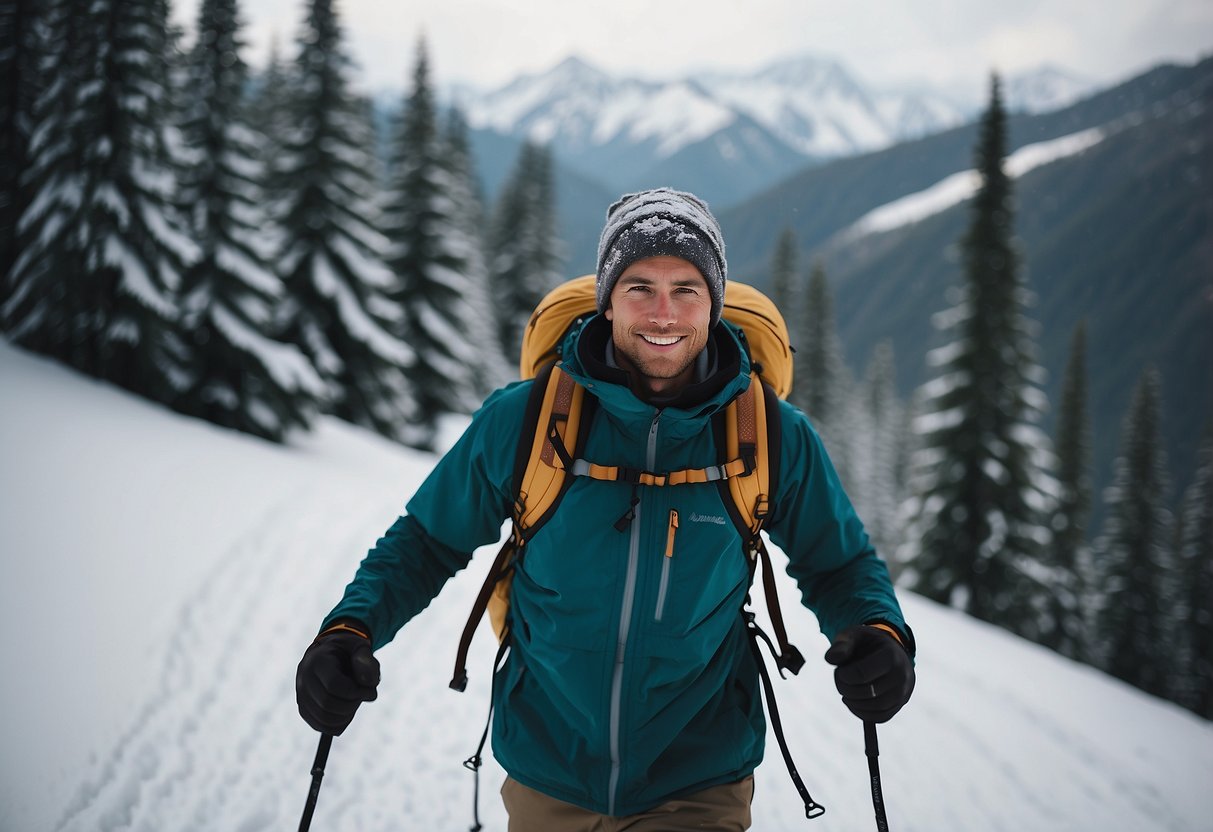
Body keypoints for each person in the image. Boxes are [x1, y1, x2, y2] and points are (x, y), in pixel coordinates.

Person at [296, 188, 915, 831]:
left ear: (716, 301)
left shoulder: (769, 435)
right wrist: (351, 630)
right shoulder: (526, 420)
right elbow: (426, 541)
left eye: (687, 289)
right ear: (608, 298)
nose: (663, 314)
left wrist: (880, 633)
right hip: (548, 766)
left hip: (697, 776)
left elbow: (837, 563)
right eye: (639, 286)